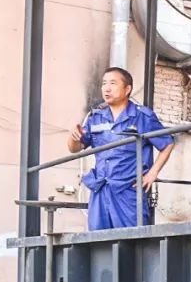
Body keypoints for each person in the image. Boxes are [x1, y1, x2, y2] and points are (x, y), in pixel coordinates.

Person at [68, 67, 175, 230]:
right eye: (104, 83)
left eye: (112, 83)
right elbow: (75, 148)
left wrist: (153, 173)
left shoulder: (142, 116)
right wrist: (73, 137)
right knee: (98, 242)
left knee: (131, 243)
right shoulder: (95, 118)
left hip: (128, 191)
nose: (107, 88)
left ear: (127, 89)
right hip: (101, 189)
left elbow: (167, 143)